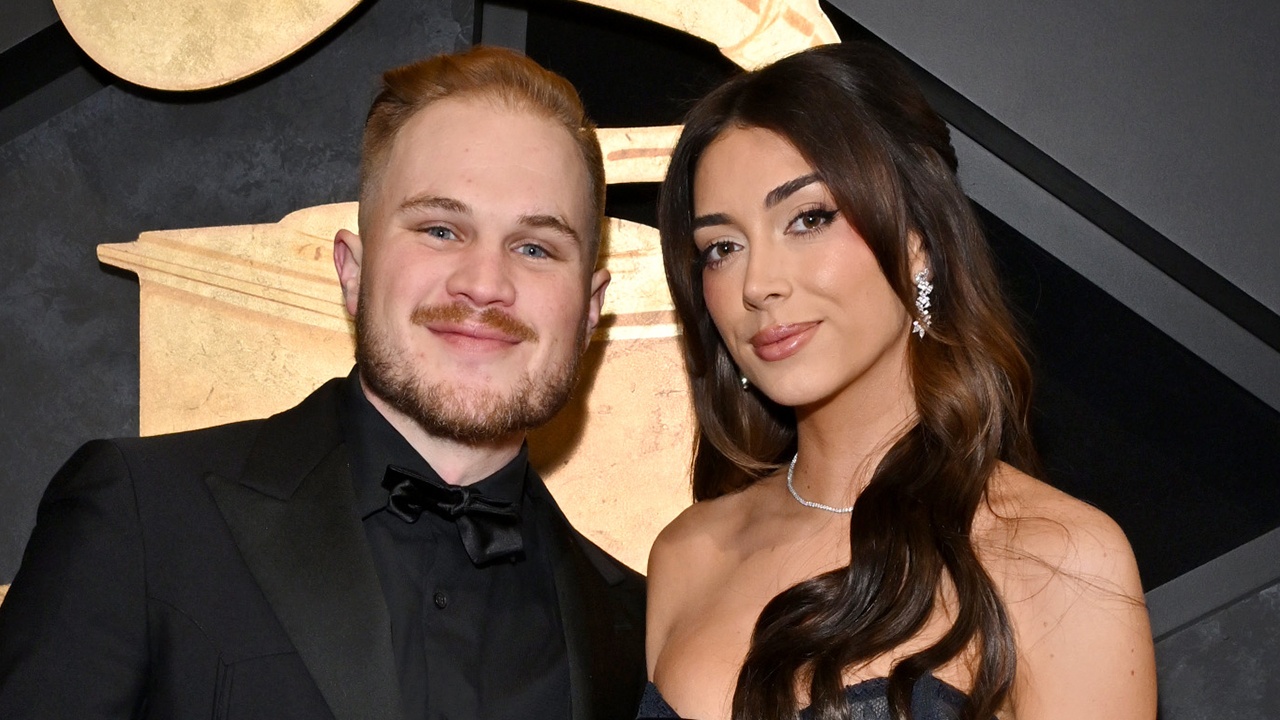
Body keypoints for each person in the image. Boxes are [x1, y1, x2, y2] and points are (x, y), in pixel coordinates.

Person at [0, 46, 646, 720]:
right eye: (440, 229)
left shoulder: (630, 623)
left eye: (535, 247)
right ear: (352, 273)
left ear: (590, 309)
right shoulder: (140, 517)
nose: (485, 283)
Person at [642, 43, 1156, 720]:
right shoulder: (686, 556)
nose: (757, 284)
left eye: (809, 218)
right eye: (721, 248)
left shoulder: (1059, 558)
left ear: (919, 240)